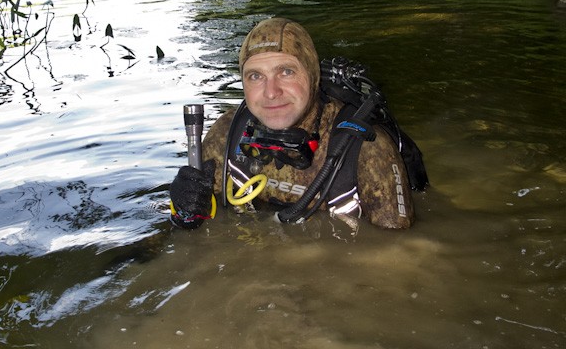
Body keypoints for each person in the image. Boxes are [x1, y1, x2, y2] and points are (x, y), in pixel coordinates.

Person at [169, 17, 426, 230]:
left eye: (286, 72)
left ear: (312, 76)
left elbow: (397, 260)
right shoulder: (227, 134)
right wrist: (184, 212)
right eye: (256, 76)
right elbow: (197, 230)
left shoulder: (366, 150)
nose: (271, 92)